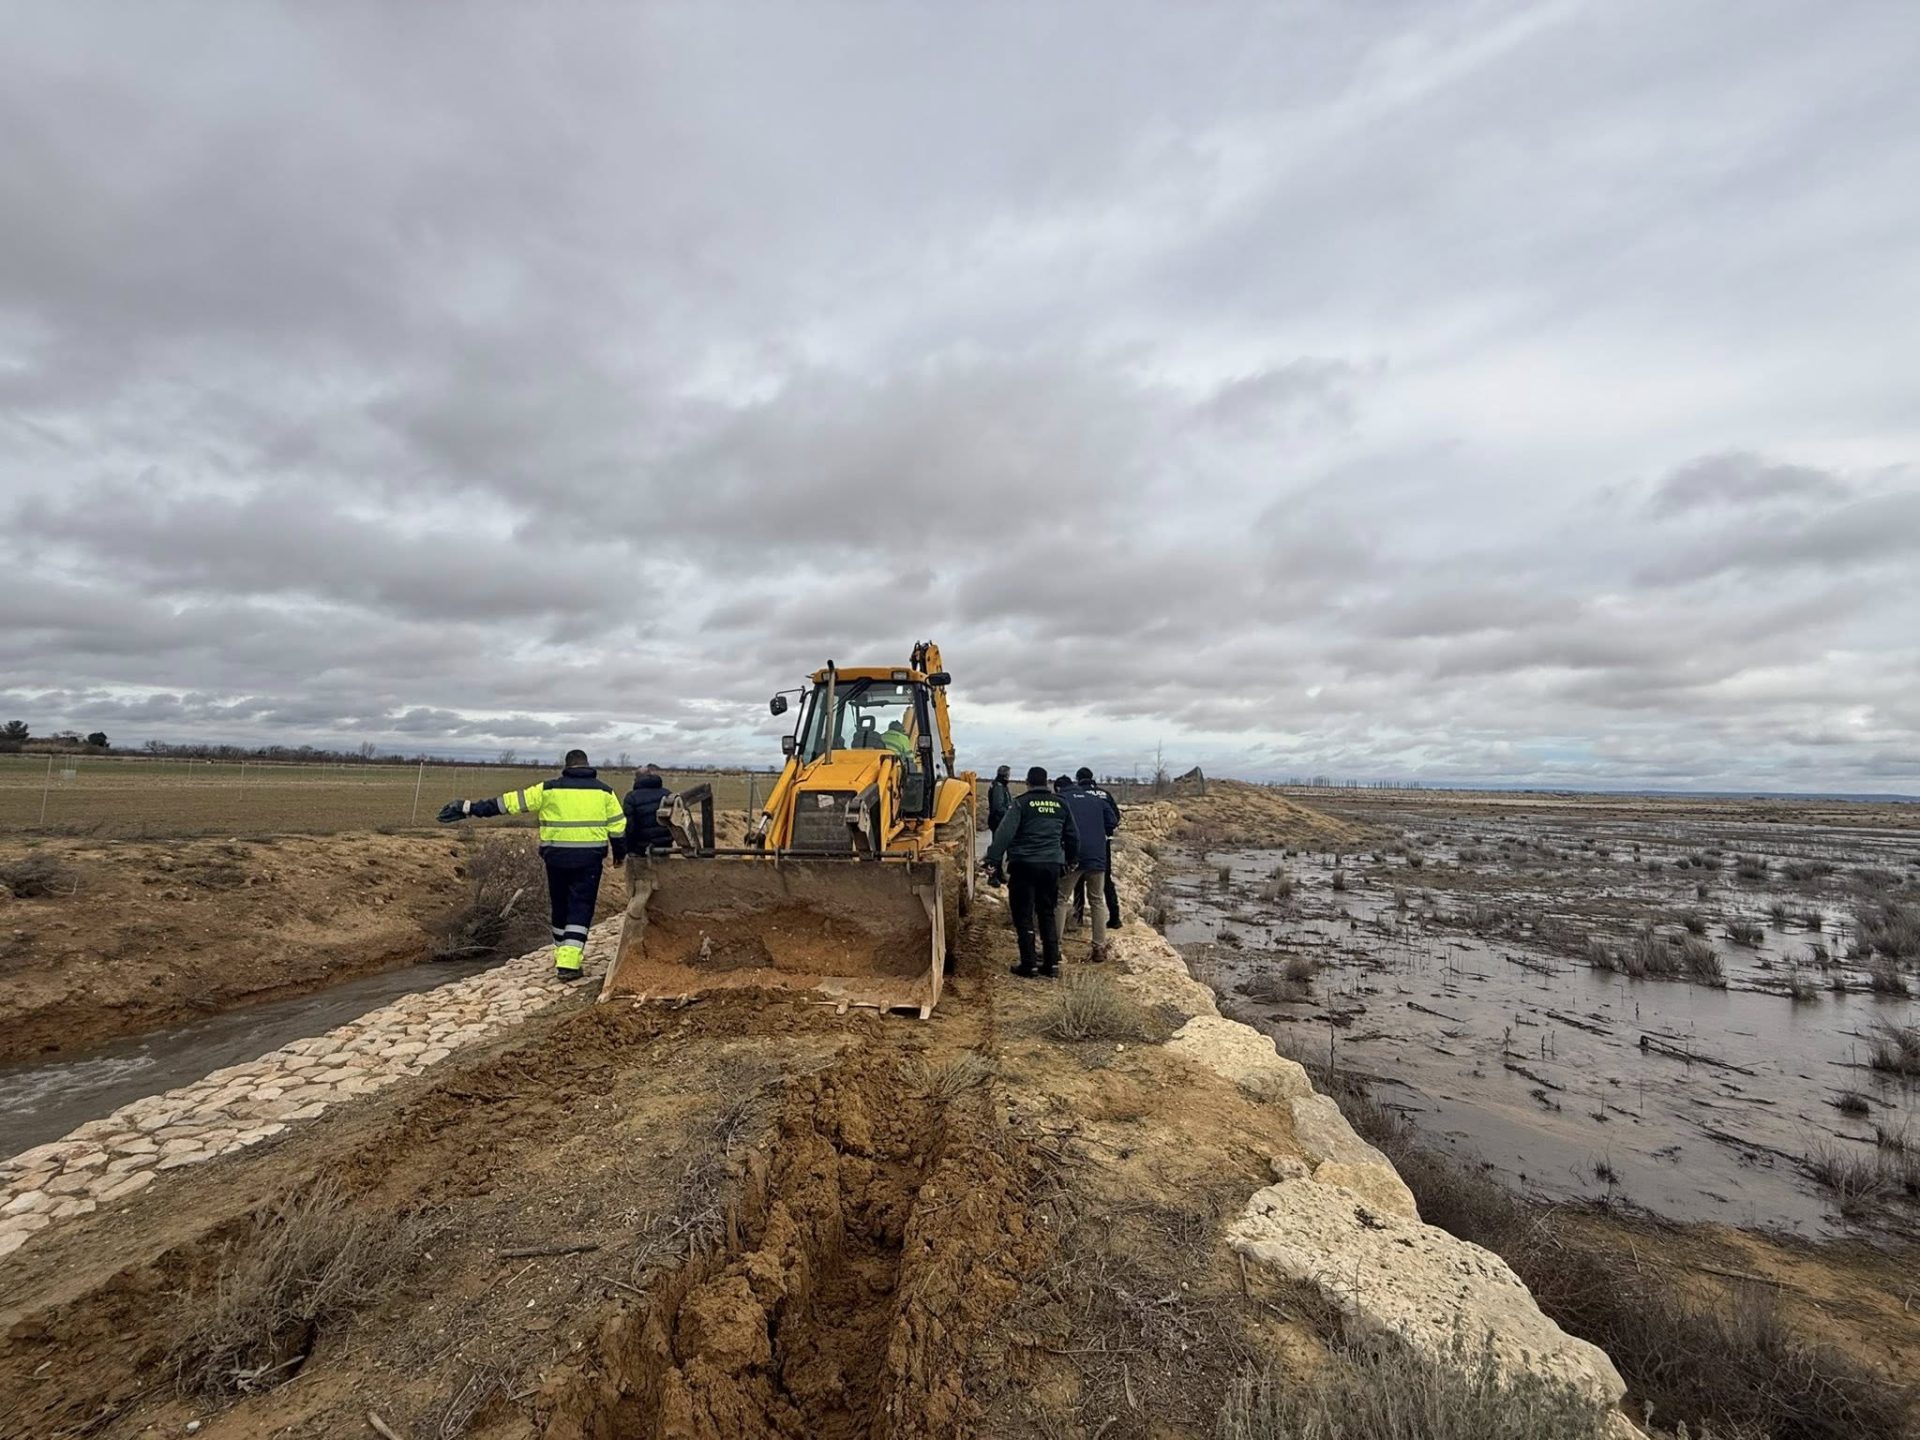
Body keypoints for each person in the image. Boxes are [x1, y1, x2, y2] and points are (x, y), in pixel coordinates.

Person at [438, 749, 627, 981]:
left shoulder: (548, 789)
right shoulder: (605, 792)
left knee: (560, 905)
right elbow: (618, 828)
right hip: (589, 860)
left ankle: (561, 953)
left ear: (566, 766)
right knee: (581, 906)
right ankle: (569, 963)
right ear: (588, 765)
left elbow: (508, 803)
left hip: (556, 859)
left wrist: (469, 808)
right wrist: (620, 855)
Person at [983, 765, 1079, 978]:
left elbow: (1004, 834)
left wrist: (993, 859)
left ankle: (1029, 964)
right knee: (1047, 912)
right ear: (1047, 782)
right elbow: (1073, 835)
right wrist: (1071, 860)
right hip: (1051, 865)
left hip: (1023, 865)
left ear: (1028, 782)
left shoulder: (1021, 803)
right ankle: (1051, 964)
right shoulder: (1060, 804)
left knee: (1023, 913)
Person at [1057, 766, 1121, 962]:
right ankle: (1099, 948)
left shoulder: (1062, 800)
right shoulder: (1097, 799)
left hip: (1073, 855)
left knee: (1060, 899)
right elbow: (1113, 821)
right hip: (1097, 855)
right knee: (1097, 900)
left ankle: (1055, 947)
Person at [1069, 768, 1123, 931]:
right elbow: (1115, 818)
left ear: (1078, 779)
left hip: (1081, 842)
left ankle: (1078, 916)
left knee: (1078, 879)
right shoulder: (1104, 794)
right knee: (1105, 879)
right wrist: (1104, 831)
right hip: (1102, 843)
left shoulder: (1077, 795)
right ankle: (1115, 918)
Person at [623, 765, 675, 855]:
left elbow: (629, 826)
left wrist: (628, 848)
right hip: (665, 845)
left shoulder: (632, 797)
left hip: (640, 847)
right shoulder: (668, 794)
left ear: (636, 779)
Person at [986, 765, 1013, 833]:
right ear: (1006, 775)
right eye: (1009, 774)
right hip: (999, 821)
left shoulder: (1001, 786)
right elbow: (998, 806)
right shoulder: (998, 787)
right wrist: (1009, 814)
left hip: (999, 820)